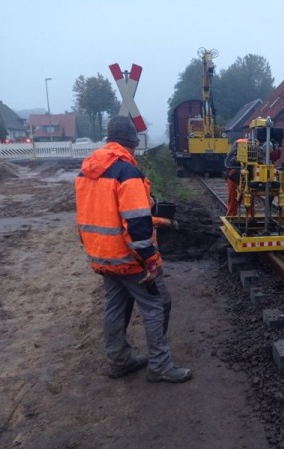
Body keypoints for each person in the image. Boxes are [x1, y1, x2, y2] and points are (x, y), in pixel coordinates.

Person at [75, 115, 192, 383]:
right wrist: (150, 261)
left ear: (109, 139)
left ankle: (118, 361)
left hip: (101, 255)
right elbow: (137, 224)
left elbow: (89, 215)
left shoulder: (86, 171)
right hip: (129, 258)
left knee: (115, 306)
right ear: (132, 142)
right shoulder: (127, 173)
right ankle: (160, 366)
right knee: (156, 304)